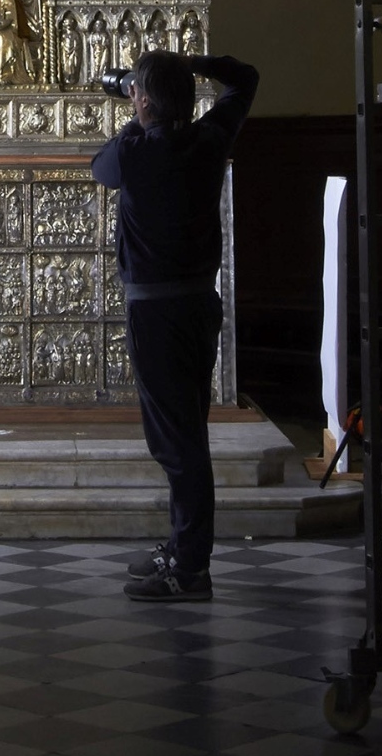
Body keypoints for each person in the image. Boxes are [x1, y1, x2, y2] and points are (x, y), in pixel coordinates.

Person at [91, 50, 259, 601]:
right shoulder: (208, 139)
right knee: (186, 431)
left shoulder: (135, 153)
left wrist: (139, 105)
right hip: (197, 306)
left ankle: (190, 569)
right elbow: (246, 80)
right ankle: (184, 550)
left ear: (141, 99)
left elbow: (100, 167)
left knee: (178, 445)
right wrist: (194, 63)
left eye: (136, 91)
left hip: (156, 312)